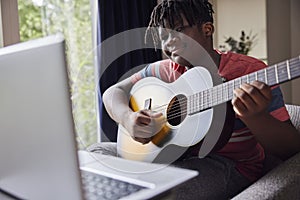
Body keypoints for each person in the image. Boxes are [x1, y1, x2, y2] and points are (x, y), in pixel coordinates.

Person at [88, 0, 300, 199]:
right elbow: (113, 92)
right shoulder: (163, 71)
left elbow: (291, 149)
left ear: (207, 29)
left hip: (228, 164)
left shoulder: (249, 72)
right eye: (163, 37)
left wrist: (257, 117)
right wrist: (127, 118)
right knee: (93, 156)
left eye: (178, 30)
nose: (169, 41)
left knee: (163, 192)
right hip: (172, 159)